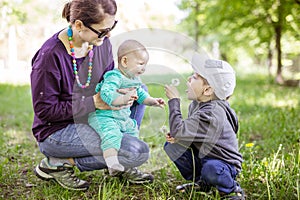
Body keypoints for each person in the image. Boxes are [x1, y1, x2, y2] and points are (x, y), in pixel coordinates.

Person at [31, 0, 153, 191]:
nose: (109, 34)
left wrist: (120, 90)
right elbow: (45, 111)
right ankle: (57, 163)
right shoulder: (50, 57)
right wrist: (93, 103)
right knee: (135, 151)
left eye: (112, 27)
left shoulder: (100, 43)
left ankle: (119, 153)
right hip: (57, 130)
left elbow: (110, 80)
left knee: (138, 91)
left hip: (92, 117)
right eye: (103, 30)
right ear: (79, 25)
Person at [164, 53, 245, 200]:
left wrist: (174, 101)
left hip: (223, 164)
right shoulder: (197, 104)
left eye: (195, 77)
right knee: (172, 146)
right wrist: (179, 138)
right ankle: (203, 183)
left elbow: (178, 130)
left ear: (207, 90)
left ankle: (231, 190)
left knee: (212, 168)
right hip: (205, 155)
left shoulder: (212, 113)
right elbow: (187, 133)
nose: (189, 78)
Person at [88, 39, 165, 176]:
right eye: (140, 64)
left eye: (145, 65)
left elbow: (140, 94)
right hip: (104, 116)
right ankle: (112, 165)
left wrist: (152, 101)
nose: (143, 68)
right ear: (124, 61)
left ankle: (127, 164)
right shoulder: (114, 76)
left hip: (122, 117)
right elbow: (106, 93)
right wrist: (122, 99)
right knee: (112, 135)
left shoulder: (134, 79)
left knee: (132, 131)